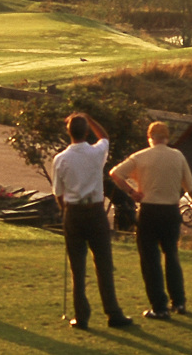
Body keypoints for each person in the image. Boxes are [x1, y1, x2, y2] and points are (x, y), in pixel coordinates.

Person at [109, 121, 192, 320]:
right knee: (171, 255)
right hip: (171, 211)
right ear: (167, 137)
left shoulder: (140, 157)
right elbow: (190, 186)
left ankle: (160, 306)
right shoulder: (177, 156)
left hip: (149, 211)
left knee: (150, 260)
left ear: (149, 137)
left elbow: (115, 174)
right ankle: (179, 301)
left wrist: (132, 192)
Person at [52, 112, 133, 330]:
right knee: (104, 265)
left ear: (68, 132)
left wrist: (65, 211)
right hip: (96, 213)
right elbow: (104, 136)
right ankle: (113, 313)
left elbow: (58, 193)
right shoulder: (97, 152)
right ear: (87, 131)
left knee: (77, 268)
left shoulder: (60, 159)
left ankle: (81, 317)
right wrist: (90, 118)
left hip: (73, 213)